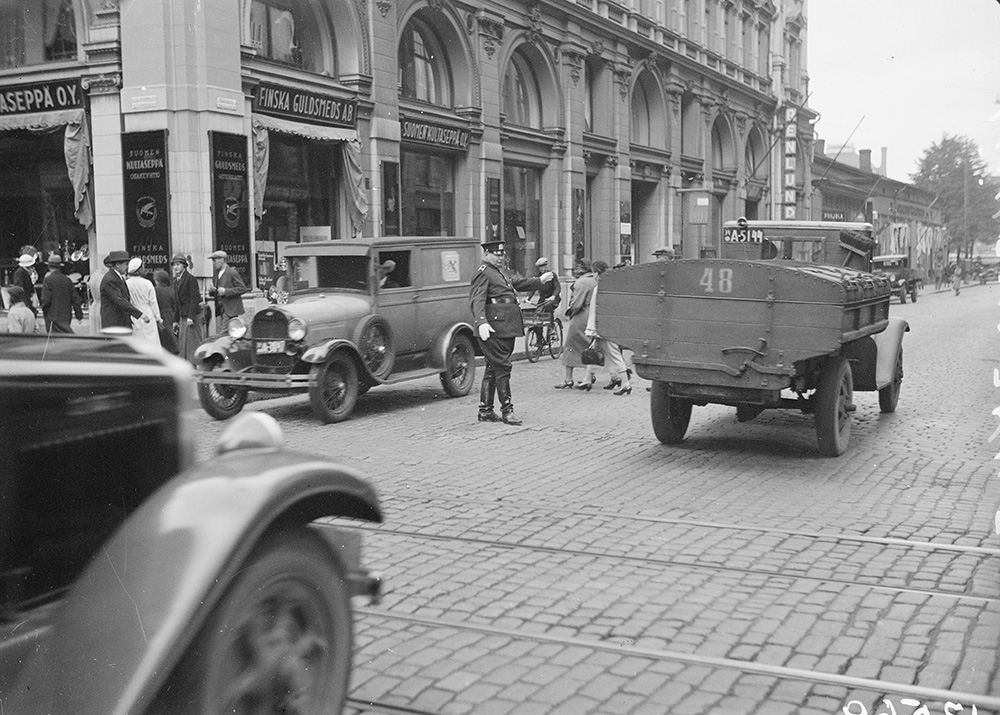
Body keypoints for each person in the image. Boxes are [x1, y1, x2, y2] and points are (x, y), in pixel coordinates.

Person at [469, 239, 553, 425]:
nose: (500, 258)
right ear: (485, 255)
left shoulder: (499, 272)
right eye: (495, 255)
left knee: (493, 368)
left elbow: (518, 282)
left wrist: (539, 281)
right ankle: (507, 410)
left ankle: (485, 410)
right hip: (493, 329)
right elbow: (477, 300)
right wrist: (481, 322)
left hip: (505, 328)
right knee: (503, 367)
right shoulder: (483, 273)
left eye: (501, 255)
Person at [584, 261, 633, 395]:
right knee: (592, 351)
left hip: (602, 327)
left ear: (597, 272)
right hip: (600, 327)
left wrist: (597, 327)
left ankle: (625, 383)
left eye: (594, 272)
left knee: (614, 354)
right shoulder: (604, 285)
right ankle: (587, 378)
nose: (592, 275)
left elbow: (602, 309)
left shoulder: (603, 286)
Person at [554, 259, 599, 390]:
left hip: (581, 316)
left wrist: (570, 312)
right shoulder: (596, 280)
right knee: (590, 346)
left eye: (578, 266)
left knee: (570, 345)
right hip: (594, 315)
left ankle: (568, 379)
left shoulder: (581, 282)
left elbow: (577, 302)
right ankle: (590, 375)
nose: (575, 268)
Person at [100, 250, 149, 330]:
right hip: (114, 322)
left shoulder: (117, 277)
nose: (127, 267)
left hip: (120, 320)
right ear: (118, 265)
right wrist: (140, 315)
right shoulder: (111, 279)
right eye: (126, 264)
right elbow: (119, 300)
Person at [171, 254, 203, 362]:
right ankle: (187, 364)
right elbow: (177, 302)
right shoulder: (175, 281)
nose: (176, 267)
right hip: (183, 316)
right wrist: (175, 320)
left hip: (191, 316)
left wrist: (191, 316)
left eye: (178, 264)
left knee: (192, 342)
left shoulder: (190, 279)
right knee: (183, 342)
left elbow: (194, 298)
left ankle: (197, 365)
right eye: (174, 265)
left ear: (184, 266)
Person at [40, 254, 82, 333]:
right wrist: (79, 315)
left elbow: (46, 300)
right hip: (66, 317)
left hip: (52, 317)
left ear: (49, 266)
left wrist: (44, 311)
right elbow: (76, 299)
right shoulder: (67, 280)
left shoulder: (48, 280)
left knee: (54, 342)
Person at [208, 250, 247, 333]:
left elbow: (242, 288)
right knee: (221, 332)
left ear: (222, 260)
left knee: (223, 333)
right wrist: (211, 290)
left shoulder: (232, 272)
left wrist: (226, 291)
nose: (213, 263)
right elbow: (215, 292)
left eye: (215, 260)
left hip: (230, 310)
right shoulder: (216, 273)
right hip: (219, 309)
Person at [126, 258, 162, 345]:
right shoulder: (147, 283)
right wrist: (158, 318)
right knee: (151, 340)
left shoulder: (126, 283)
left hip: (134, 314)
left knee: (137, 340)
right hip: (147, 312)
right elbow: (153, 302)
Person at [153, 269, 180, 355]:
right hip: (171, 316)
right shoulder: (172, 290)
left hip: (160, 316)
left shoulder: (155, 291)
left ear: (157, 281)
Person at [88, 262, 108, 333]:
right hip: (104, 308)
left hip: (94, 307)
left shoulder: (94, 275)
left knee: (95, 331)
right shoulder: (107, 276)